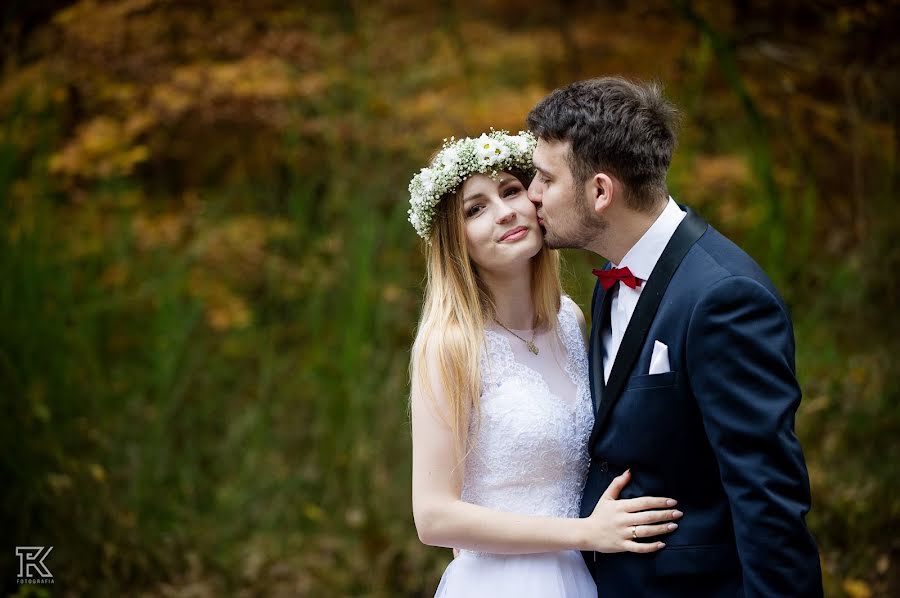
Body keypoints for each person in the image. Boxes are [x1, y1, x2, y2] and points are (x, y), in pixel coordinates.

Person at [526, 76, 823, 597]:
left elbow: (767, 493)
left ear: (600, 191)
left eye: (546, 180)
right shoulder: (610, 283)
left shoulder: (725, 298)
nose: (532, 196)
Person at [408, 130, 682, 597]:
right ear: (456, 243)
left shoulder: (570, 319)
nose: (505, 211)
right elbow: (434, 517)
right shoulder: (450, 345)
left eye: (511, 190)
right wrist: (585, 533)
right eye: (476, 209)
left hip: (588, 577)